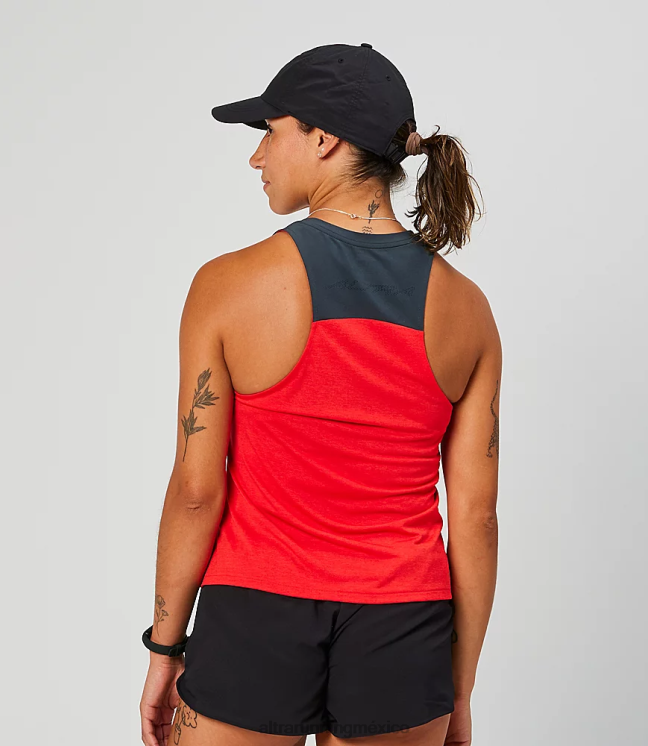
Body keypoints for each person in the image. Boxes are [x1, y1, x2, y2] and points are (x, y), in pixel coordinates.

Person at [140, 42, 501, 746]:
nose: (257, 157)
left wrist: (164, 649)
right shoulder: (467, 310)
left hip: (255, 612)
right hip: (404, 626)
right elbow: (476, 518)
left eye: (269, 131)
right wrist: (457, 691)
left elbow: (196, 491)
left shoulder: (227, 285)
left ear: (324, 137)